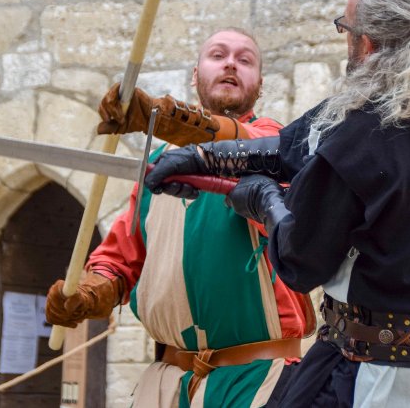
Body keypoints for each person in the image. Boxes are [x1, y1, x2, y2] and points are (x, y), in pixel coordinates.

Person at [145, 0, 410, 407]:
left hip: (376, 380)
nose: (346, 40)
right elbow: (293, 146)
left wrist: (264, 199)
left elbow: (303, 261)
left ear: (369, 42)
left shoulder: (364, 128)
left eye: (345, 28)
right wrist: (205, 159)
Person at [45, 29, 315, 407]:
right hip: (169, 385)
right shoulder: (159, 168)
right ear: (195, 74)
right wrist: (90, 293)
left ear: (259, 84)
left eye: (245, 59)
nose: (231, 64)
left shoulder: (274, 145)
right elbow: (121, 258)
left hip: (259, 379)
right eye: (218, 55)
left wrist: (160, 117)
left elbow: (248, 144)